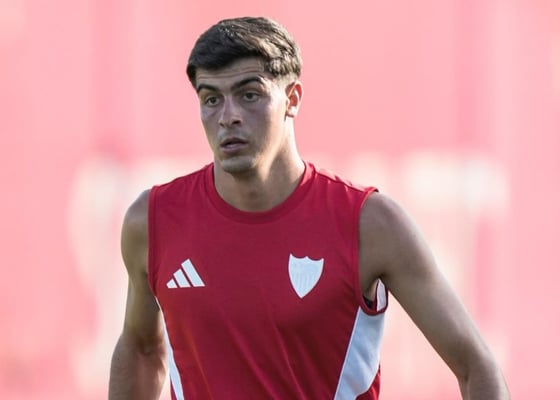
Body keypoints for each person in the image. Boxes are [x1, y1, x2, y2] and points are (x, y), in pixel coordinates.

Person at [108, 16, 509, 400]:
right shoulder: (153, 220)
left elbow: (475, 366)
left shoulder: (369, 223)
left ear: (292, 98)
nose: (228, 117)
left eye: (249, 95)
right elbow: (141, 349)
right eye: (211, 99)